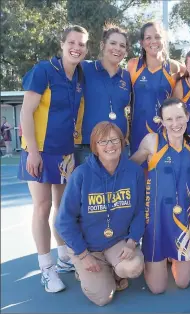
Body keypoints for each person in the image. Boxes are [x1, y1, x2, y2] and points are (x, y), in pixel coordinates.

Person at [18, 25, 89, 292]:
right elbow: (26, 113)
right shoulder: (43, 71)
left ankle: (63, 258)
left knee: (63, 208)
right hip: (39, 151)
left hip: (65, 153)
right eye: (72, 42)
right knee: (42, 206)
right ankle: (46, 269)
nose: (76, 47)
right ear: (62, 44)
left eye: (81, 44)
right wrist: (33, 152)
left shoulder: (80, 75)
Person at [55, 122, 145, 306]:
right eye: (103, 141)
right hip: (87, 246)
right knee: (102, 298)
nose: (110, 146)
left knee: (133, 267)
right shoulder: (81, 175)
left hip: (116, 242)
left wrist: (131, 242)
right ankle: (85, 269)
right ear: (95, 146)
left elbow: (140, 211)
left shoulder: (134, 172)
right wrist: (83, 255)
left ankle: (113, 269)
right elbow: (64, 221)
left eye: (114, 140)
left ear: (122, 142)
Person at [130, 98, 190, 294]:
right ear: (161, 121)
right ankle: (157, 257)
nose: (175, 124)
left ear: (187, 116)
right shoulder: (152, 141)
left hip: (184, 219)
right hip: (157, 219)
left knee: (182, 282)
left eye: (179, 117)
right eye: (169, 119)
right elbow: (130, 168)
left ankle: (175, 256)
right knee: (158, 288)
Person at [75, 24, 131, 164]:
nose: (117, 48)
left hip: (118, 147)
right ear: (102, 45)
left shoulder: (127, 77)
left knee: (118, 187)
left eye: (122, 45)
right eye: (113, 43)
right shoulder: (84, 68)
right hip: (89, 147)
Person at [127, 21, 185, 158]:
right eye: (148, 38)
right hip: (138, 133)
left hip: (165, 132)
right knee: (139, 175)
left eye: (158, 37)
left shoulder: (173, 67)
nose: (153, 41)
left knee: (162, 176)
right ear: (141, 43)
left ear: (163, 40)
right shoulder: (133, 65)